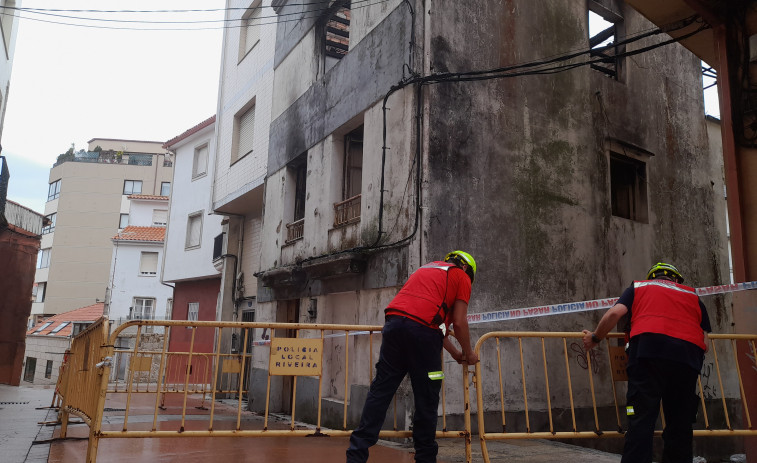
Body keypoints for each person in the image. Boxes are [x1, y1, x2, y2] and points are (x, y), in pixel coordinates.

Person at [346, 250, 480, 463]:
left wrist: (456, 354)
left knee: (380, 391)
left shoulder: (427, 269)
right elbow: (459, 322)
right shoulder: (461, 276)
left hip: (393, 326)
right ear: (466, 268)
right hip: (422, 334)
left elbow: (433, 325)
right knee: (427, 396)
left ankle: (356, 455)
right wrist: (469, 353)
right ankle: (425, 457)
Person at [582, 262, 711, 463]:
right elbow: (706, 342)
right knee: (680, 422)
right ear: (676, 279)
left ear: (652, 277)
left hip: (648, 355)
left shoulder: (640, 287)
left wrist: (595, 338)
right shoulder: (693, 295)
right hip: (687, 361)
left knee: (640, 417)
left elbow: (615, 314)